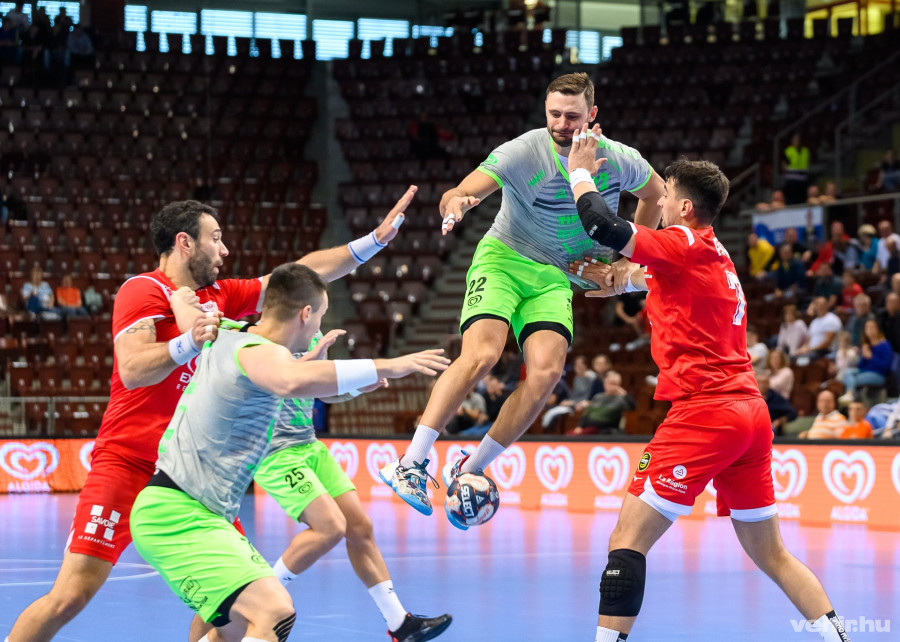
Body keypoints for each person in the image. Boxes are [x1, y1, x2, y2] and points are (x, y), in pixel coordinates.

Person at [6, 190, 416, 642]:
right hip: (127, 464)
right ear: (185, 243)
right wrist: (189, 341)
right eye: (215, 238)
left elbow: (298, 277)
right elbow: (134, 369)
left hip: (194, 479)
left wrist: (373, 242)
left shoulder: (222, 295)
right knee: (70, 596)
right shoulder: (144, 290)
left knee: (228, 610)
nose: (224, 250)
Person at [565, 144, 850, 642]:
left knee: (626, 540)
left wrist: (579, 174)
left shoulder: (681, 241)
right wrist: (618, 280)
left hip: (706, 411)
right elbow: (651, 275)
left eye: (666, 195)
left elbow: (601, 226)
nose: (659, 201)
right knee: (772, 554)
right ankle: (840, 637)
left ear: (684, 207)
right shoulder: (713, 252)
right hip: (750, 413)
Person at [379, 72, 665, 517]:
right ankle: (410, 463)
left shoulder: (619, 158)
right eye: (554, 114)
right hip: (504, 259)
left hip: (555, 274)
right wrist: (456, 202)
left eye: (572, 116)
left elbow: (657, 194)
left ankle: (470, 468)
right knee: (482, 356)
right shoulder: (522, 151)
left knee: (547, 373)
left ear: (592, 114)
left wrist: (630, 259)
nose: (562, 124)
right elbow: (462, 190)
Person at [130, 263, 449, 642]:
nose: (319, 327)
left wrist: (181, 299)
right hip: (179, 512)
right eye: (321, 316)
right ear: (305, 314)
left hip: (200, 512)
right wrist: (390, 365)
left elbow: (197, 318)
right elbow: (288, 379)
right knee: (275, 612)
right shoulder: (255, 351)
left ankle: (397, 623)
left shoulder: (225, 331)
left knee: (232, 631)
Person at [839, 319, 892, 404]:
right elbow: (861, 366)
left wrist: (871, 356)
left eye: (872, 327)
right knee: (847, 373)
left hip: (879, 375)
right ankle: (850, 395)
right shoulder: (866, 345)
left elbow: (885, 367)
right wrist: (863, 356)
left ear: (878, 329)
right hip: (865, 372)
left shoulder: (885, 345)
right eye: (867, 328)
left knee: (852, 380)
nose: (870, 330)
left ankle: (851, 396)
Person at [572, 370, 635, 435]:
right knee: (570, 436)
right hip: (588, 428)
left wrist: (625, 395)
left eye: (615, 384)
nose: (612, 386)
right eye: (610, 383)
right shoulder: (598, 397)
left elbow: (633, 407)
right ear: (604, 383)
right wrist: (580, 426)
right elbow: (587, 413)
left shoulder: (621, 399)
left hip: (604, 430)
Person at [782, 133, 810, 205]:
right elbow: (784, 165)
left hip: (803, 181)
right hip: (792, 181)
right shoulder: (788, 151)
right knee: (792, 202)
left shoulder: (805, 151)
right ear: (792, 140)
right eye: (795, 139)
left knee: (803, 202)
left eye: (798, 139)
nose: (797, 140)